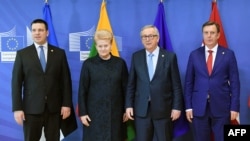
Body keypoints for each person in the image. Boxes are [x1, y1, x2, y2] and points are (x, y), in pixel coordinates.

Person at [11, 19, 77, 141]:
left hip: (54, 108)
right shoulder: (22, 54)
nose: (37, 33)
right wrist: (17, 108)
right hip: (31, 109)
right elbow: (16, 83)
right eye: (34, 30)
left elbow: (66, 81)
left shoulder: (59, 53)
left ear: (47, 32)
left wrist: (66, 104)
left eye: (40, 30)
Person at [184, 21, 240, 141]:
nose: (209, 36)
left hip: (222, 107)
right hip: (199, 108)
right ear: (203, 35)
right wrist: (188, 107)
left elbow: (235, 83)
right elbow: (188, 82)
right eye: (206, 33)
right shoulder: (194, 55)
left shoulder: (228, 54)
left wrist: (234, 107)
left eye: (212, 33)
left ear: (218, 35)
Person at [125, 25, 183, 141]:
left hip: (163, 110)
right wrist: (128, 105)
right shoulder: (136, 57)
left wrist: (177, 107)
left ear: (158, 38)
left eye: (151, 36)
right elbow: (131, 84)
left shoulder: (169, 57)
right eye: (144, 37)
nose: (147, 39)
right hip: (142, 110)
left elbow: (176, 85)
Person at [78, 29, 129, 141]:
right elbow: (82, 90)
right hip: (93, 115)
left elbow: (126, 88)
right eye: (100, 46)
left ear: (111, 45)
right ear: (96, 46)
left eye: (106, 45)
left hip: (116, 113)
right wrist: (83, 113)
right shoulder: (88, 64)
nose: (103, 49)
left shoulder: (120, 63)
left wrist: (126, 109)